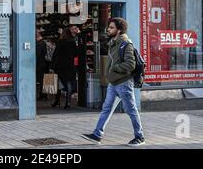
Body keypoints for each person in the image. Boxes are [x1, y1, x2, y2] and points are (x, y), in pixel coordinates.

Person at [81, 17, 145, 146]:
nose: (108, 29)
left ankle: (140, 137)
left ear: (119, 30)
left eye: (111, 28)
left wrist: (114, 69)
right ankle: (97, 134)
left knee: (131, 110)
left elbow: (130, 64)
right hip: (114, 83)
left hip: (123, 83)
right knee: (106, 108)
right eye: (108, 27)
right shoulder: (113, 43)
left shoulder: (126, 44)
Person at [51, 25, 80, 109]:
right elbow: (76, 53)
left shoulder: (60, 42)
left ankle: (57, 101)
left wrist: (52, 65)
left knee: (59, 82)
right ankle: (68, 102)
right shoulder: (72, 42)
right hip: (70, 64)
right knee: (68, 83)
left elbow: (55, 54)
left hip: (60, 65)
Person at [36, 30, 48, 101]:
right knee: (42, 80)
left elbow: (38, 55)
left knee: (41, 80)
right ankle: (43, 95)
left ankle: (42, 95)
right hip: (43, 64)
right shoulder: (43, 43)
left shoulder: (40, 44)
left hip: (40, 64)